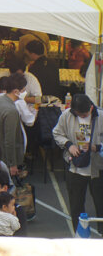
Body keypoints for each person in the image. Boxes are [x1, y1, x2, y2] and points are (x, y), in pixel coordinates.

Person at [52, 93, 103, 230]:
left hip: (97, 168)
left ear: (91, 108)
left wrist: (96, 147)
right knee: (76, 206)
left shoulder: (101, 116)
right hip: (75, 167)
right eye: (79, 114)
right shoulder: (67, 115)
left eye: (85, 114)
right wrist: (69, 145)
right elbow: (57, 133)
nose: (82, 116)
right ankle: (79, 234)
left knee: (101, 205)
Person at [0, 75, 25, 177]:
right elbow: (9, 141)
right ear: (16, 91)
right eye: (23, 90)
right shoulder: (11, 111)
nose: (25, 93)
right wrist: (12, 164)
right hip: (4, 158)